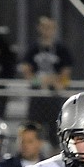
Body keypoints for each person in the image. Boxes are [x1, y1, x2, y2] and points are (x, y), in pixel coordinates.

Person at [19, 16, 73, 148]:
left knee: (56, 133)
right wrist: (39, 81)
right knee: (34, 130)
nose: (47, 30)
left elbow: (66, 74)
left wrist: (53, 81)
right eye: (44, 27)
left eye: (50, 27)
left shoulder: (61, 50)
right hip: (37, 97)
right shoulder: (33, 49)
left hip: (54, 97)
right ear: (39, 28)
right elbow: (26, 71)